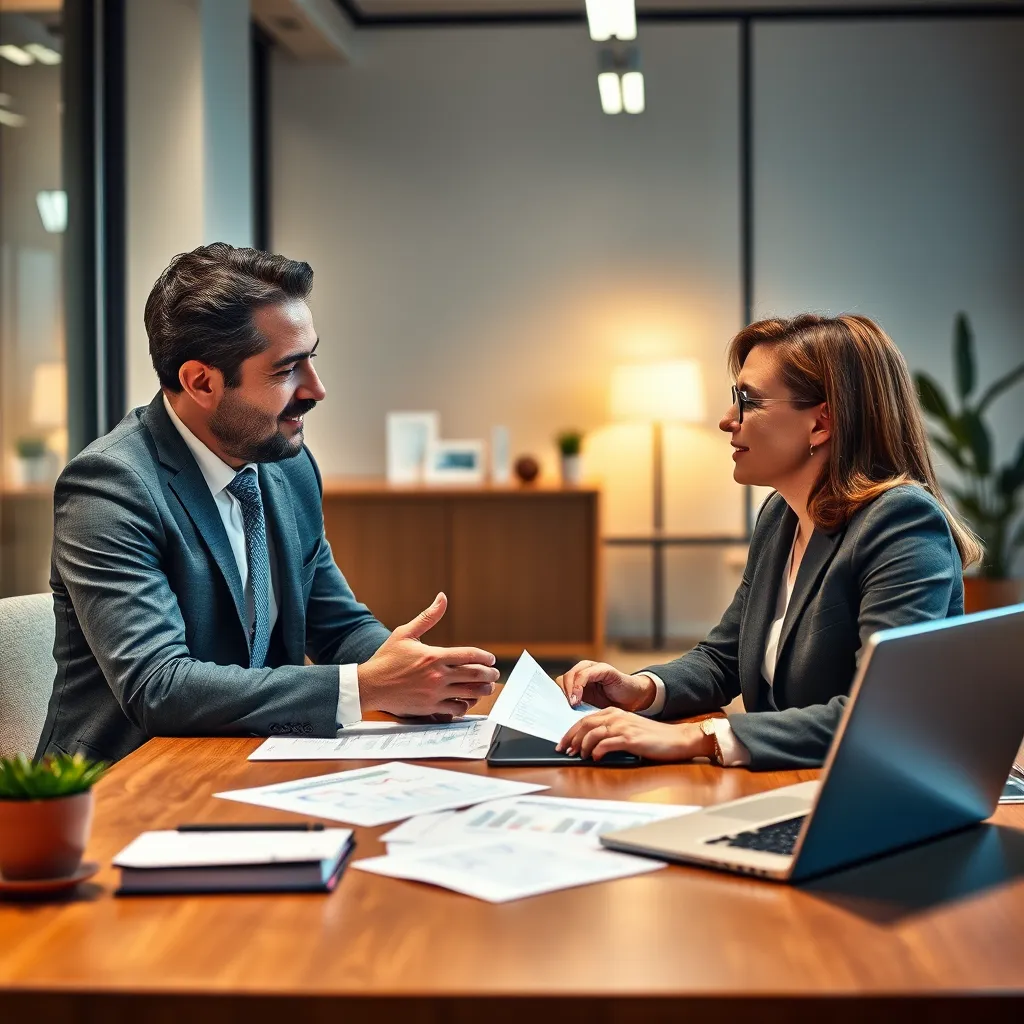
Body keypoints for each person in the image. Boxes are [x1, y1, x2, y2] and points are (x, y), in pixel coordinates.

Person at [35, 244, 498, 764]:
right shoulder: (109, 487)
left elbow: (336, 625)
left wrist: (412, 670)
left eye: (312, 359)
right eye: (287, 370)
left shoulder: (285, 465)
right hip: (127, 779)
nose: (316, 389)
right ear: (201, 382)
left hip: (251, 756)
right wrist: (365, 688)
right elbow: (158, 687)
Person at [556, 313, 980, 770]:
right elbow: (725, 657)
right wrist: (640, 689)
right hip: (792, 781)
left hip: (875, 789)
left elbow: (884, 713)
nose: (727, 420)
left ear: (821, 423)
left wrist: (695, 738)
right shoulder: (781, 514)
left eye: (748, 401)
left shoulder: (901, 521)